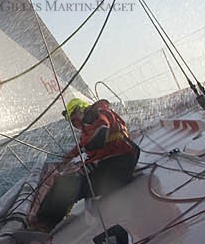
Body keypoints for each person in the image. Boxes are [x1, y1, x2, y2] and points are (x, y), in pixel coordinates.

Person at [27, 97, 140, 231]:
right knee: (64, 180)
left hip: (118, 169)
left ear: (82, 110)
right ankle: (41, 219)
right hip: (118, 165)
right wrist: (68, 157)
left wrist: (88, 147)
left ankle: (44, 225)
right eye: (72, 121)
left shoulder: (94, 115)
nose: (75, 123)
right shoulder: (89, 126)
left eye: (75, 118)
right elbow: (82, 146)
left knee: (69, 184)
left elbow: (101, 132)